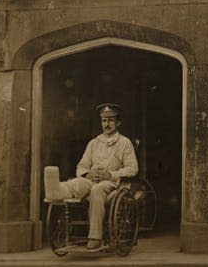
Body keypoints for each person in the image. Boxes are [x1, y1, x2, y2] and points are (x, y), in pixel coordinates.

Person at [43, 103, 138, 250]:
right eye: (104, 120)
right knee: (77, 183)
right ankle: (56, 192)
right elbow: (81, 166)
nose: (107, 124)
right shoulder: (94, 143)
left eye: (111, 120)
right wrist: (88, 173)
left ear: (118, 122)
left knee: (97, 190)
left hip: (113, 184)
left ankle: (95, 236)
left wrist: (110, 174)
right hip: (92, 181)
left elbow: (133, 169)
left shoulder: (124, 143)